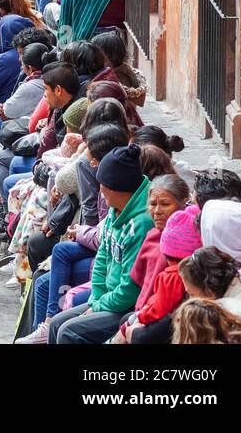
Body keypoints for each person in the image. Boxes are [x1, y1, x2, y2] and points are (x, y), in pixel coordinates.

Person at [48, 144, 155, 343]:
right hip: (106, 298)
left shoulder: (141, 224)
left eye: (102, 183)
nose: (100, 189)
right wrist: (95, 300)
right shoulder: (115, 211)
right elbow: (102, 260)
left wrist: (97, 306)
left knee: (68, 332)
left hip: (126, 306)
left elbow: (130, 289)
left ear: (117, 187)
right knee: (56, 323)